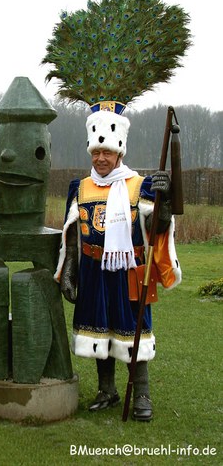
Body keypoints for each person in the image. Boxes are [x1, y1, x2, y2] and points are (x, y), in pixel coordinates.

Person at [54, 109, 182, 421]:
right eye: (96, 152)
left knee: (132, 330)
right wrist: (70, 269)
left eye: (107, 152)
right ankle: (107, 390)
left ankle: (142, 394)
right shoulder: (81, 187)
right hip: (94, 271)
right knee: (99, 330)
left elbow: (157, 229)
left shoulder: (140, 185)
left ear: (119, 151)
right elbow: (72, 232)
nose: (101, 158)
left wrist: (164, 203)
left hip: (130, 270)